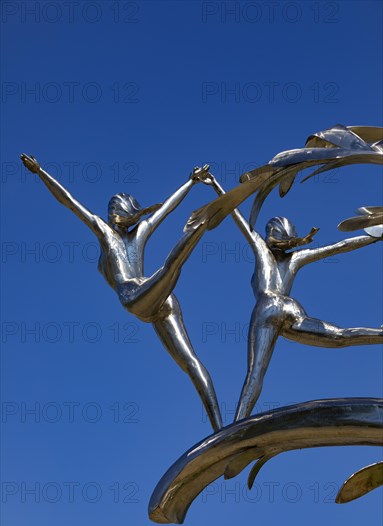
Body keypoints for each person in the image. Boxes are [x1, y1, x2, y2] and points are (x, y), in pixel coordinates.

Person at [20, 154, 223, 431]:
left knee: (170, 272)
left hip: (138, 297)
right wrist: (41, 172)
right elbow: (69, 201)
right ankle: (219, 428)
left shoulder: (115, 232)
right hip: (154, 297)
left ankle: (221, 427)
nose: (136, 220)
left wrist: (190, 182)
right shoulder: (120, 232)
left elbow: (70, 202)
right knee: (189, 360)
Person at [201, 173, 383, 421]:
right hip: (292, 309)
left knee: (255, 373)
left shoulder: (262, 248)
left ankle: (236, 424)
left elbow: (238, 217)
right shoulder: (295, 257)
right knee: (339, 336)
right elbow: (338, 247)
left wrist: (215, 186)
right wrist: (375, 236)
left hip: (268, 307)